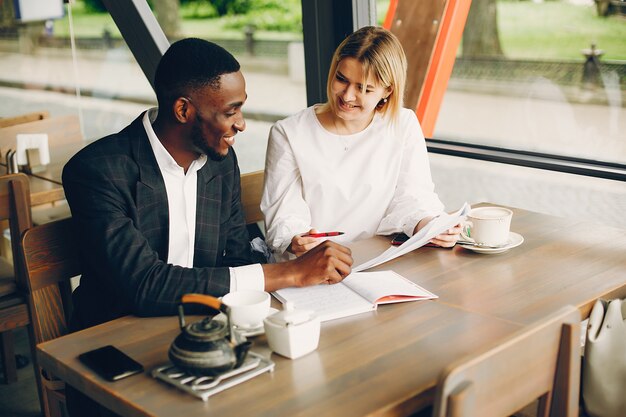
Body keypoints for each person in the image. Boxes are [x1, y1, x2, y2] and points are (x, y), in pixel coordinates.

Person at [63, 38, 353, 332]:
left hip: (206, 325)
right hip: (116, 338)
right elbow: (144, 285)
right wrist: (288, 273)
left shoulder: (220, 162)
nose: (241, 124)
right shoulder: (97, 172)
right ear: (183, 111)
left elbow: (237, 256)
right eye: (230, 112)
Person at [261, 26, 461, 258]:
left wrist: (429, 226)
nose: (347, 96)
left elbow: (413, 196)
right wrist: (296, 238)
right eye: (341, 79)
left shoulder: (402, 124)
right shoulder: (289, 133)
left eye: (364, 88)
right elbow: (283, 216)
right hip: (313, 265)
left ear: (387, 90)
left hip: (378, 260)